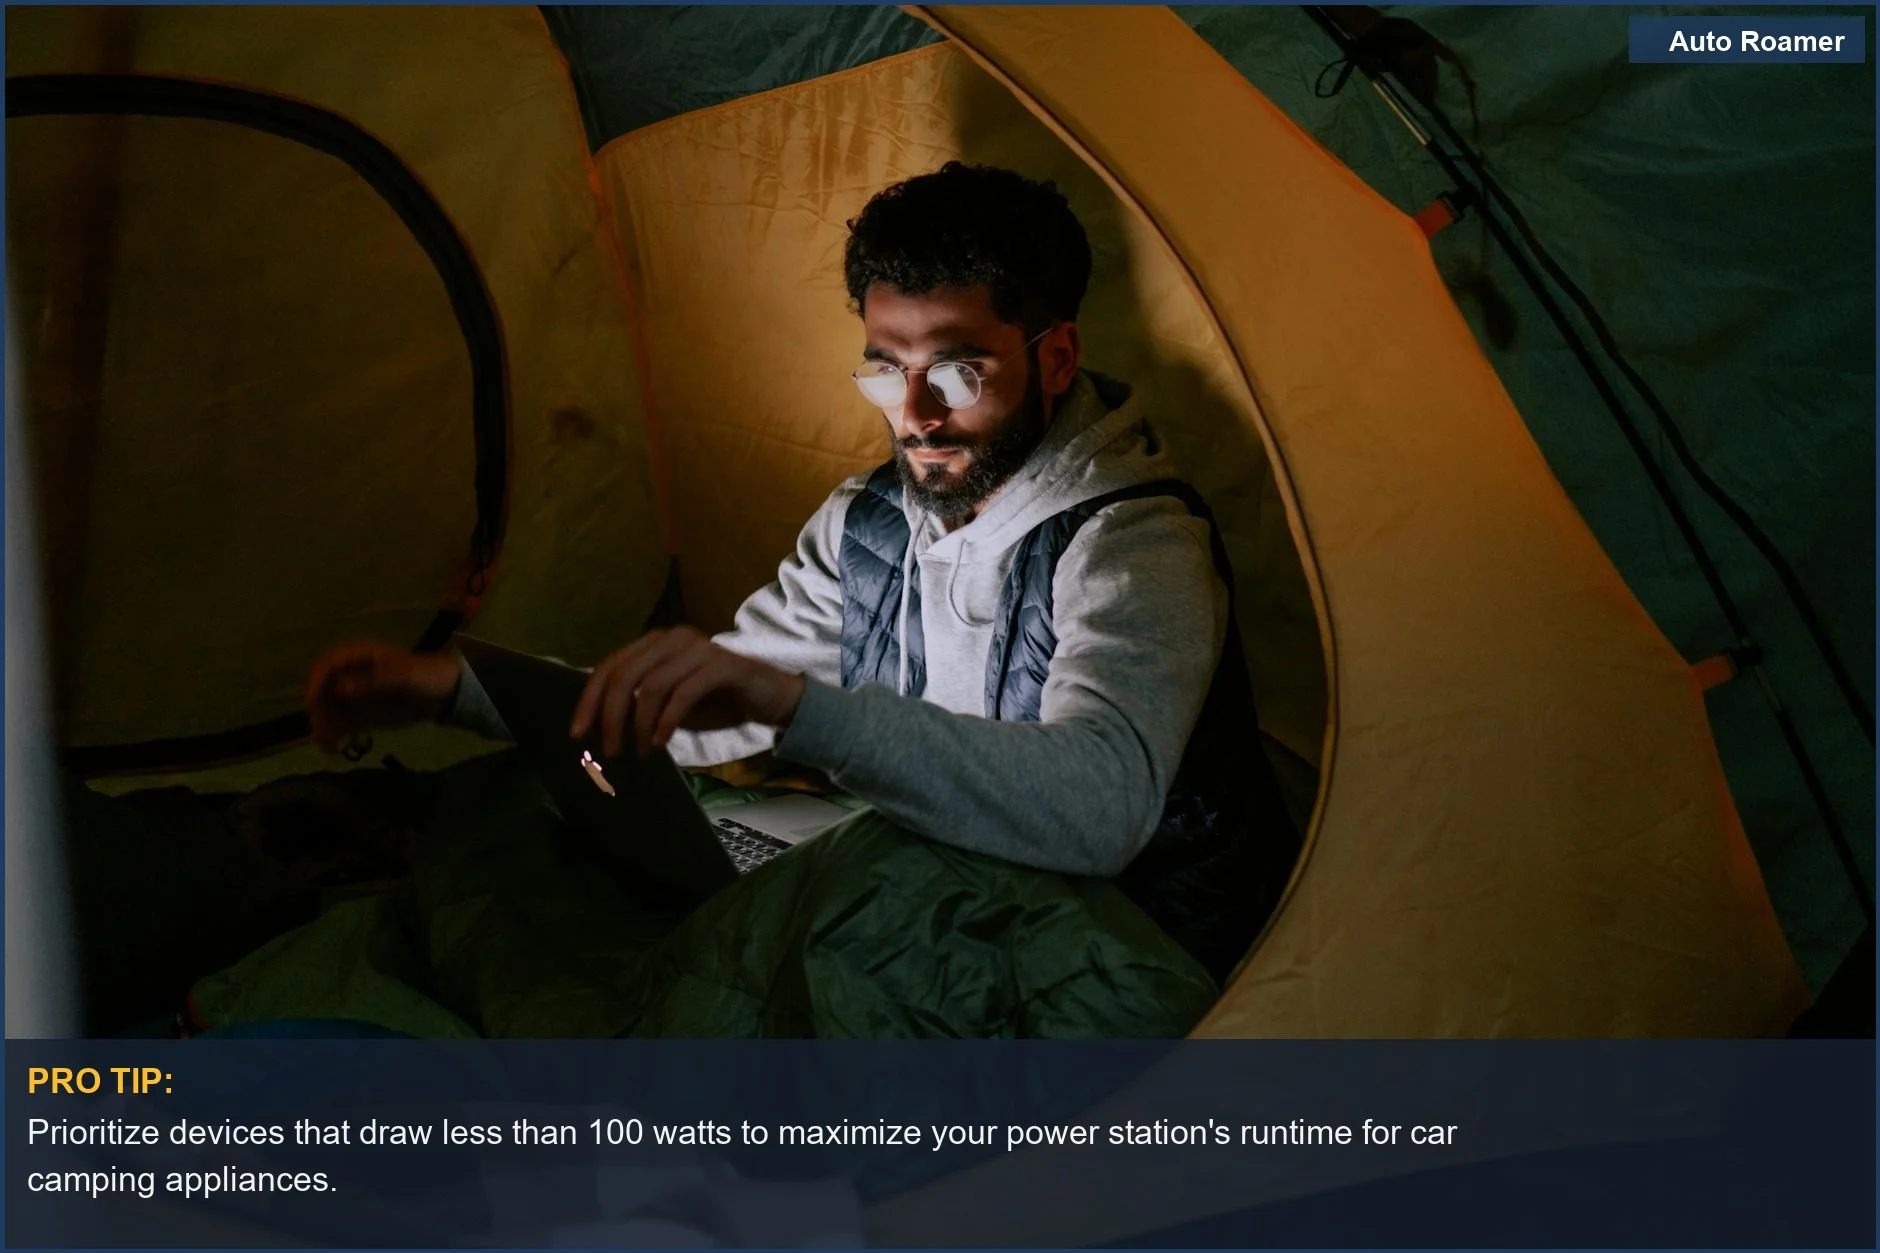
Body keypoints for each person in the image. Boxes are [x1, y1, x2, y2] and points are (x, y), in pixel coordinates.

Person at [307, 162, 1298, 981]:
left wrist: (798, 709)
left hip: (1125, 942)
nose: (914, 412)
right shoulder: (867, 521)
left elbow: (1099, 808)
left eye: (958, 369)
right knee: (538, 871)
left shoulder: (1135, 543)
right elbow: (719, 699)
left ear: (1054, 356)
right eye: (882, 367)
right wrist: (454, 690)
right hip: (951, 888)